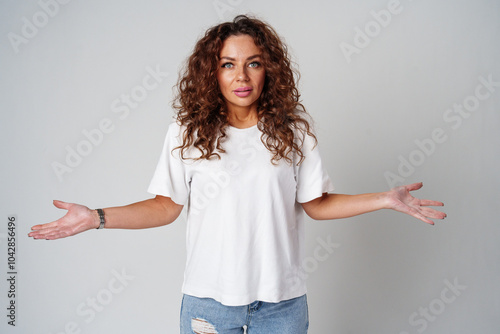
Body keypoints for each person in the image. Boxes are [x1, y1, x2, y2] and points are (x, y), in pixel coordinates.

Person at [29, 15, 446, 334]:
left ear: (270, 70)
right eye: (228, 64)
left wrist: (385, 199)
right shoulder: (187, 133)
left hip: (281, 305)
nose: (241, 76)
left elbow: (316, 205)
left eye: (253, 63)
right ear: (212, 72)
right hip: (207, 303)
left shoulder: (293, 133)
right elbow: (164, 207)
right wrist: (96, 217)